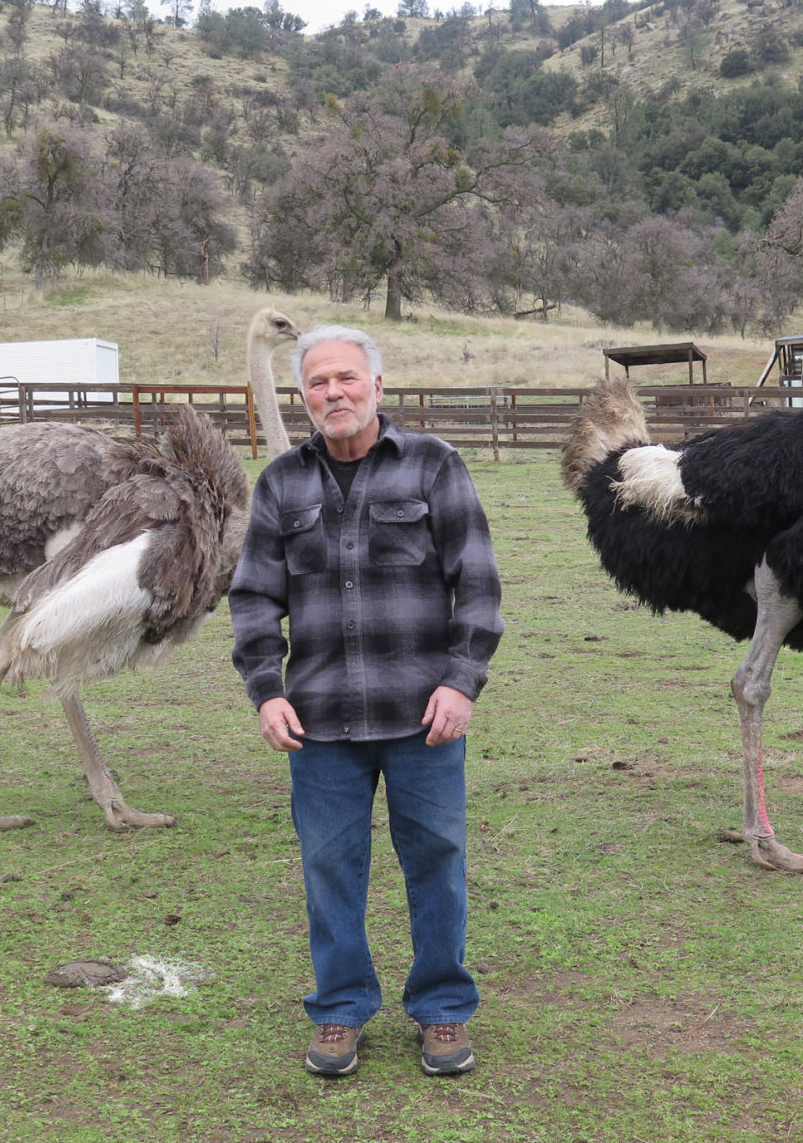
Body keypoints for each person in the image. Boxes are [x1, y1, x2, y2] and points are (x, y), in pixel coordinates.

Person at [230, 324, 504, 1078]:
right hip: (318, 726)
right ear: (304, 397)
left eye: (347, 379)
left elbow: (477, 586)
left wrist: (461, 680)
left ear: (377, 386)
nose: (334, 394)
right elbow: (254, 598)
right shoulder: (282, 483)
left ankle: (444, 1008)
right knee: (330, 867)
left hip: (424, 719)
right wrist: (266, 691)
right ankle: (342, 1008)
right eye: (318, 383)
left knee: (438, 860)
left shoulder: (433, 467)